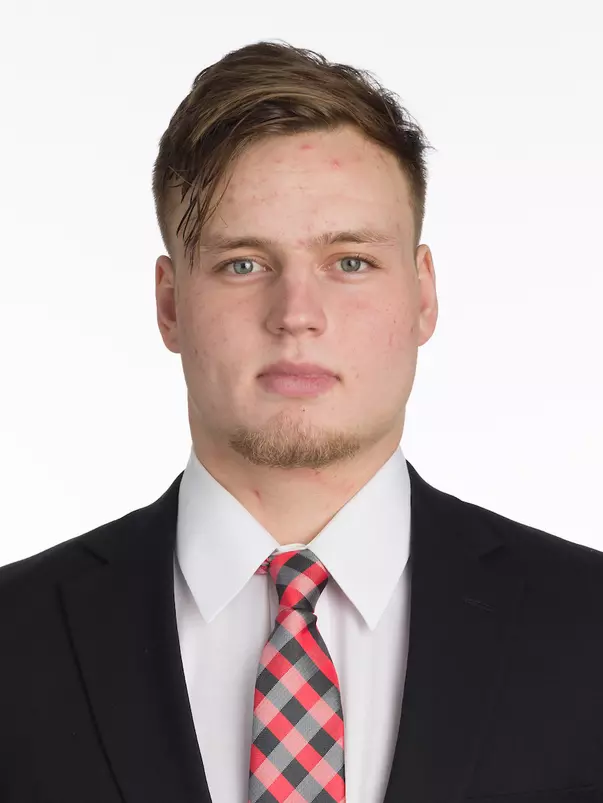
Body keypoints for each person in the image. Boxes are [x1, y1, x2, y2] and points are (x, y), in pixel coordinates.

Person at [1, 39, 602, 803]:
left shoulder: (587, 627)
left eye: (350, 261)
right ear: (169, 303)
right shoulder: (15, 639)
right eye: (242, 264)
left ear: (422, 295)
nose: (295, 315)